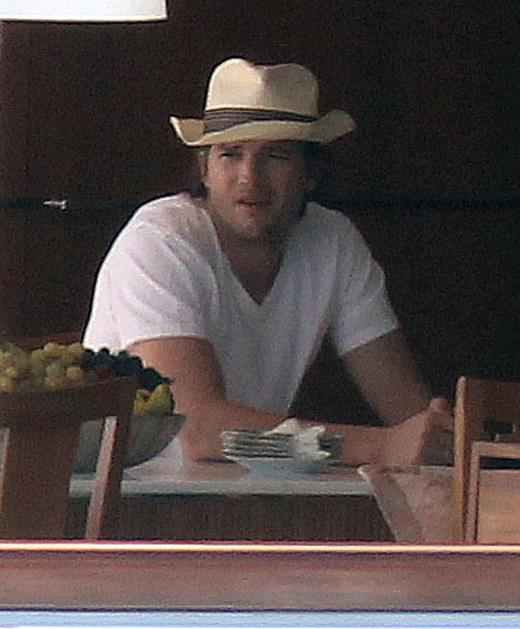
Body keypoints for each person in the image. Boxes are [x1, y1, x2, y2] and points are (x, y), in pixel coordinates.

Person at [84, 57, 453, 466]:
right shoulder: (161, 240)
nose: (250, 177)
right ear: (204, 169)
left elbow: (408, 410)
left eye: (275, 155)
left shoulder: (333, 240)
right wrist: (382, 446)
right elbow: (198, 430)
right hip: (127, 496)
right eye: (231, 154)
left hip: (246, 490)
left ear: (310, 173)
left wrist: (436, 436)